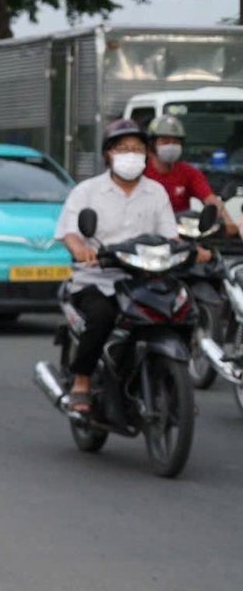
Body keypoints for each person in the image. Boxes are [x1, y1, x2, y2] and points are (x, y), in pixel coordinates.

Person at [55, 118, 213, 413]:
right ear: (108, 154)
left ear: (147, 154)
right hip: (99, 277)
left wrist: (192, 251)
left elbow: (171, 236)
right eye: (123, 148)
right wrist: (80, 250)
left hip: (147, 277)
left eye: (137, 148)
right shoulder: (87, 191)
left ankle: (174, 384)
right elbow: (70, 232)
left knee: (181, 310)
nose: (131, 154)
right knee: (102, 315)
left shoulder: (156, 192)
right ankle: (82, 381)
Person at [146, 113, 240, 235]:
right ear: (152, 145)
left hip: (182, 233)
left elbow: (210, 200)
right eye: (165, 141)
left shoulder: (189, 172)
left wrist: (227, 222)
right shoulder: (141, 173)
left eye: (176, 142)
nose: (171, 146)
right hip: (148, 234)